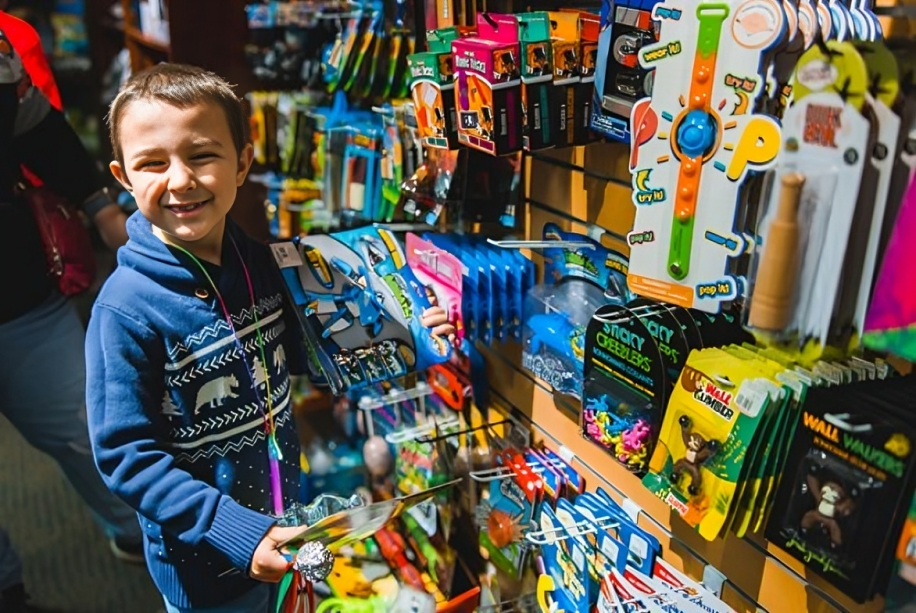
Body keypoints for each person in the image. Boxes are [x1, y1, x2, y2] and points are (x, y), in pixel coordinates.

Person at [85, 62, 454, 613]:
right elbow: (125, 455)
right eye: (153, 163)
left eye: (203, 154)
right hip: (206, 567)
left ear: (243, 163)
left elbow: (303, 351)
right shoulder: (126, 310)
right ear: (122, 176)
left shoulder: (262, 263)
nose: (180, 179)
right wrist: (234, 530)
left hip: (286, 532)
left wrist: (406, 335)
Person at [0, 10, 144, 613]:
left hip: (18, 293)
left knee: (88, 424)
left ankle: (141, 532)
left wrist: (103, 210)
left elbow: (37, 128)